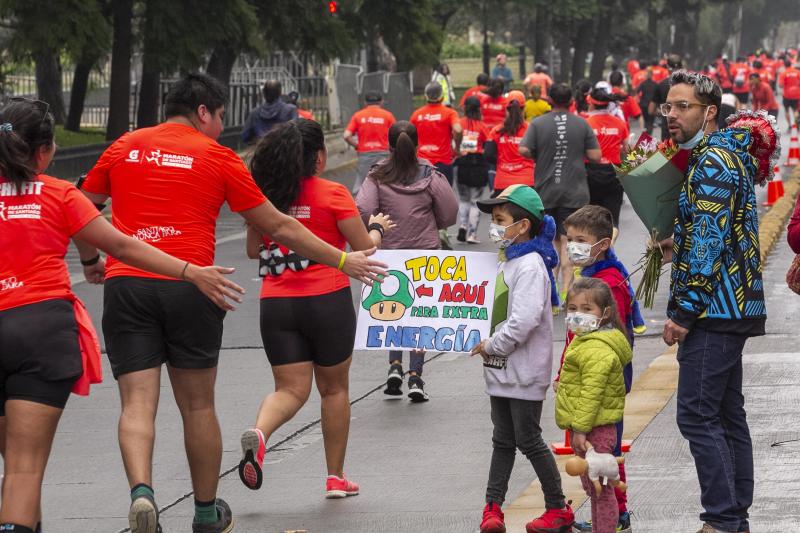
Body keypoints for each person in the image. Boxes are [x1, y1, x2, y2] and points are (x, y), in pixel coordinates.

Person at [78, 73, 386, 533]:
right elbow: (279, 227)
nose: (222, 126)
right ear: (204, 111)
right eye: (221, 116)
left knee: (137, 405)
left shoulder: (123, 147)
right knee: (197, 406)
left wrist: (89, 260)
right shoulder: (218, 157)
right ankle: (206, 512)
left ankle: (142, 493)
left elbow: (81, 209)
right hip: (195, 285)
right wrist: (343, 259)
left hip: (128, 287)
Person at [0, 98, 245, 533]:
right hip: (39, 329)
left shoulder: (104, 164)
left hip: (63, 311)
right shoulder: (59, 194)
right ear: (44, 152)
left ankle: (124, 496)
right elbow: (125, 246)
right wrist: (191, 271)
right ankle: (202, 510)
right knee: (23, 468)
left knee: (18, 461)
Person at [238, 119, 393, 500]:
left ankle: (259, 434)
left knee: (289, 390)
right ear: (319, 159)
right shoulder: (333, 194)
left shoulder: (266, 198)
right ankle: (335, 478)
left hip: (276, 304)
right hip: (328, 301)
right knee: (334, 388)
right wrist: (377, 228)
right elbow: (363, 250)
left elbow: (252, 250)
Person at [662, 70, 768, 533]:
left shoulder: (711, 162)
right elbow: (714, 230)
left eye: (682, 106)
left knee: (697, 413)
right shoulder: (724, 155)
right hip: (732, 304)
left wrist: (684, 311)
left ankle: (723, 519)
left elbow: (708, 242)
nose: (671, 115)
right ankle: (734, 514)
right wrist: (675, 243)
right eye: (668, 106)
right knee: (726, 412)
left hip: (714, 309)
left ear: (708, 112)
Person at [471, 185, 574, 533]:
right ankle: (493, 508)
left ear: (523, 226)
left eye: (500, 221)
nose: (495, 228)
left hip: (523, 370)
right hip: (501, 370)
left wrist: (491, 345)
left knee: (528, 439)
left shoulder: (530, 266)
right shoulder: (510, 260)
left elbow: (524, 321)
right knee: (502, 439)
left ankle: (558, 508)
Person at [557, 205, 646, 533]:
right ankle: (606, 513)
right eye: (569, 239)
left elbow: (607, 341)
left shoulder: (609, 283)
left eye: (581, 239)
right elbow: (576, 338)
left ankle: (615, 514)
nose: (572, 246)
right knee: (594, 456)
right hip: (584, 378)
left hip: (601, 382)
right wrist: (563, 373)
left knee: (603, 454)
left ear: (603, 244)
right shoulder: (590, 276)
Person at [356, 121, 458, 401]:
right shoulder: (430, 174)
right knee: (419, 315)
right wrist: (432, 222)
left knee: (393, 309)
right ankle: (415, 376)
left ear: (388, 145)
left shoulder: (377, 174)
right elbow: (450, 212)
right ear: (418, 144)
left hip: (389, 253)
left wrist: (376, 227)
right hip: (425, 254)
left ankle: (394, 366)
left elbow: (364, 208)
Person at [555, 278, 632, 533]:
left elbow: (591, 394)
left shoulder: (597, 348)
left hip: (594, 429)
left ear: (605, 313)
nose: (578, 315)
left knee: (601, 490)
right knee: (594, 487)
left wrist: (579, 430)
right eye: (573, 308)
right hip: (589, 426)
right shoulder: (585, 340)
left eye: (587, 310)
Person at [519, 83, 601, 301]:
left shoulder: (537, 124)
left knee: (550, 240)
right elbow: (595, 155)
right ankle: (567, 290)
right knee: (569, 242)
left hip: (546, 191)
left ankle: (550, 291)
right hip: (575, 191)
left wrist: (541, 152)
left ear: (550, 101)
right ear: (572, 101)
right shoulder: (582, 124)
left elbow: (523, 149)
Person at [584, 87, 629, 228]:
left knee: (591, 222)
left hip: (590, 175)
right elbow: (626, 151)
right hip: (614, 174)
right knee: (611, 222)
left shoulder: (585, 124)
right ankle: (610, 248)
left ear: (591, 104)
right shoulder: (619, 123)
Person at [343, 91, 397, 194]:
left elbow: (346, 135)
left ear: (365, 102)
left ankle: (362, 207)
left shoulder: (358, 116)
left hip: (365, 154)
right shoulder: (388, 115)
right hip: (384, 153)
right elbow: (396, 134)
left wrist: (357, 146)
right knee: (387, 184)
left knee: (363, 185)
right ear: (381, 102)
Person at [410, 82, 462, 186]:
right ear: (442, 96)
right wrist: (457, 148)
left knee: (422, 197)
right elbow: (458, 130)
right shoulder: (450, 113)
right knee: (443, 198)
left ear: (426, 96)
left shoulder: (416, 114)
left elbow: (409, 135)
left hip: (421, 163)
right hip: (443, 163)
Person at [454, 96, 490, 244]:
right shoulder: (483, 126)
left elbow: (455, 141)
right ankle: (472, 233)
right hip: (478, 164)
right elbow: (487, 146)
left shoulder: (459, 124)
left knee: (463, 199)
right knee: (475, 201)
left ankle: (462, 225)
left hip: (462, 163)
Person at [485, 91, 534, 193]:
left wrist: (502, 161)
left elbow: (488, 155)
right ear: (524, 108)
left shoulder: (496, 130)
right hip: (526, 183)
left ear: (506, 108)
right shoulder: (531, 129)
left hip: (503, 183)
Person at [241, 79, 298, 144]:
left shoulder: (255, 113)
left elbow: (245, 136)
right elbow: (296, 134)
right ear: (280, 92)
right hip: (284, 151)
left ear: (264, 93)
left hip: (262, 151)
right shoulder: (291, 110)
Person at [651, 54, 683, 140]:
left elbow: (651, 110)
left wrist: (662, 112)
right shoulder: (691, 84)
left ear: (668, 67)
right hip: (687, 132)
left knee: (666, 153)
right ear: (681, 66)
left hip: (668, 132)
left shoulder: (661, 85)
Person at [778, 58, 800, 130]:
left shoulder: (783, 73)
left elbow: (780, 85)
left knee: (786, 110)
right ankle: (796, 125)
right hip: (797, 94)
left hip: (787, 95)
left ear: (784, 65)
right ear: (791, 64)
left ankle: (790, 125)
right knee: (795, 110)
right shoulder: (797, 72)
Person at [636, 65, 658, 135]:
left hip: (643, 104)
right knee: (651, 121)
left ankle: (646, 133)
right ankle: (649, 134)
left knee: (646, 120)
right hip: (652, 105)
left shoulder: (642, 84)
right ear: (652, 75)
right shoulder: (655, 84)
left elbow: (637, 92)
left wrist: (638, 100)